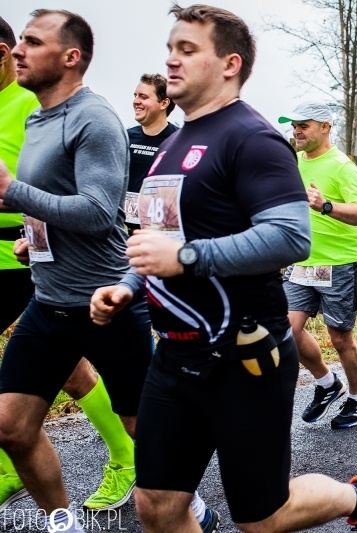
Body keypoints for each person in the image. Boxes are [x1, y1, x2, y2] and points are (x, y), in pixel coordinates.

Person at [89, 5, 357, 532]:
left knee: (262, 517)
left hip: (244, 357)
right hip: (175, 356)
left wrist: (185, 259)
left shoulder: (252, 138)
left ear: (230, 64)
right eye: (170, 50)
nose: (171, 62)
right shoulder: (171, 147)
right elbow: (158, 241)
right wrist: (126, 284)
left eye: (187, 50)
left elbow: (290, 236)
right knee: (157, 506)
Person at [0, 10, 156, 531]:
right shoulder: (37, 118)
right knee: (12, 427)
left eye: (31, 42)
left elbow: (96, 209)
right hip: (49, 301)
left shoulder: (94, 118)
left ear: (71, 57)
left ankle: (191, 512)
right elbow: (53, 201)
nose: (17, 50)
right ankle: (63, 524)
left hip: (107, 301)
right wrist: (34, 240)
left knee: (146, 431)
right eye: (19, 40)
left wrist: (10, 192)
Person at [277, 101, 357, 430]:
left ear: (325, 127)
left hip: (339, 264)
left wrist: (326, 205)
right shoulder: (294, 161)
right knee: (286, 331)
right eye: (294, 126)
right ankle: (326, 383)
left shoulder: (341, 166)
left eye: (303, 125)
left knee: (340, 337)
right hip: (301, 263)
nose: (297, 131)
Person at [125, 73, 179, 234]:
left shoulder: (178, 141)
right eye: (135, 96)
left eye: (143, 97)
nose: (136, 101)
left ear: (164, 103)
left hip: (161, 233)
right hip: (123, 233)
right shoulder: (124, 137)